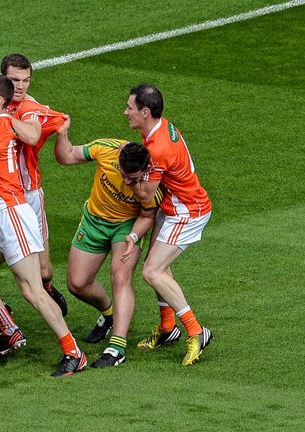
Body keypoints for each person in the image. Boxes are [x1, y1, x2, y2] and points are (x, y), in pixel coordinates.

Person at [0, 75, 87, 377]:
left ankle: (73, 352)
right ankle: (7, 325)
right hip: (1, 217)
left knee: (32, 291)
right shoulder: (2, 122)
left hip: (12, 217)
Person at [54, 116, 161, 368]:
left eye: (133, 179)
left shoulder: (153, 181)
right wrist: (62, 133)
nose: (127, 183)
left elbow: (148, 215)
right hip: (93, 221)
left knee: (120, 277)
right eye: (124, 175)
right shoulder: (107, 149)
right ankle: (109, 314)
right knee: (77, 283)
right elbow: (66, 156)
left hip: (126, 227)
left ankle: (117, 347)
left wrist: (133, 238)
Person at [123, 83, 213, 366]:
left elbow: (146, 194)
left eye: (130, 107)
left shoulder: (158, 148)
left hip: (186, 212)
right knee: (159, 265)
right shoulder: (159, 129)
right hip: (175, 204)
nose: (126, 112)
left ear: (145, 111)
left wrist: (129, 176)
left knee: (151, 271)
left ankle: (196, 331)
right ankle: (166, 328)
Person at [0, 54, 69, 315]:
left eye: (26, 80)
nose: (20, 86)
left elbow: (60, 120)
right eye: (14, 80)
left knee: (44, 270)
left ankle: (46, 289)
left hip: (29, 194)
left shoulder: (31, 108)